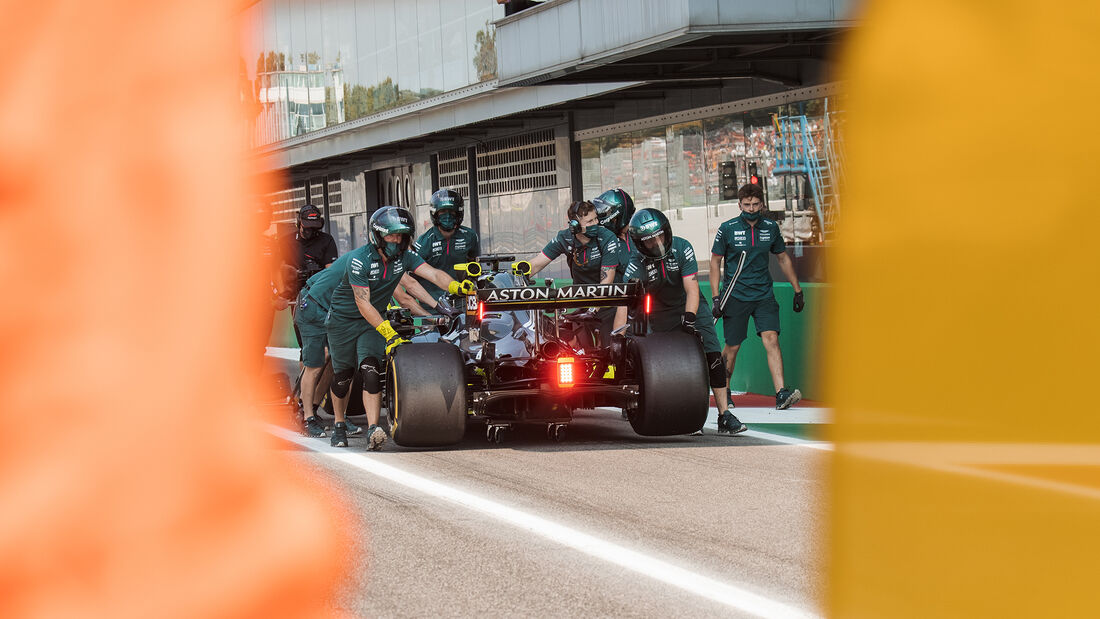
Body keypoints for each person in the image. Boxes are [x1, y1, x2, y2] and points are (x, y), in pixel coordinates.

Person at [324, 206, 467, 450]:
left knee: (371, 370)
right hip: (343, 322)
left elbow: (433, 274)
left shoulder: (405, 257)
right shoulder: (358, 260)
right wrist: (388, 332)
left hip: (373, 321)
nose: (396, 240)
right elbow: (363, 303)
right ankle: (339, 424)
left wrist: (456, 287)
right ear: (378, 236)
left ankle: (373, 429)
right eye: (391, 235)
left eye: (401, 235)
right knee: (343, 377)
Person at [613, 209, 747, 435]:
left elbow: (692, 288)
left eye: (659, 236)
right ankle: (684, 413)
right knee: (668, 362)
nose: (657, 243)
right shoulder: (636, 263)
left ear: (667, 231)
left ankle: (724, 414)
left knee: (713, 356)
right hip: (659, 312)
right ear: (639, 243)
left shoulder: (683, 247)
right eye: (649, 241)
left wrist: (690, 319)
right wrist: (618, 336)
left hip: (691, 304)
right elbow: (625, 303)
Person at [709, 183, 805, 411]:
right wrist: (716, 297)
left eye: (755, 204)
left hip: (764, 294)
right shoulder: (727, 228)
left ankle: (781, 393)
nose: (751, 208)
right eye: (747, 204)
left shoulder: (771, 228)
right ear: (739, 205)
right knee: (733, 346)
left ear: (762, 204)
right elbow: (715, 262)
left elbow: (782, 258)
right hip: (735, 295)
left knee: (771, 339)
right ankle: (724, 390)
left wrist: (798, 290)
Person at [527, 200, 620, 349]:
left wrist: (593, 310)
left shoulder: (607, 237)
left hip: (607, 303)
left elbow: (607, 279)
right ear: (575, 225)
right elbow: (537, 264)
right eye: (589, 221)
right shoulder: (564, 237)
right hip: (581, 303)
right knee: (579, 351)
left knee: (609, 351)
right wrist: (515, 277)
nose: (596, 223)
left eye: (596, 218)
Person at [294, 252, 357, 439]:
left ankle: (339, 417)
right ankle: (307, 418)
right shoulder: (362, 259)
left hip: (333, 309)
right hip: (312, 306)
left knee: (340, 362)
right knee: (314, 364)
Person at [410, 189, 481, 309]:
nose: (447, 216)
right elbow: (411, 279)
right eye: (443, 212)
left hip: (464, 302)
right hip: (434, 305)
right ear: (435, 214)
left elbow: (475, 267)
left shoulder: (470, 236)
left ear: (458, 213)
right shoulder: (424, 242)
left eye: (451, 212)